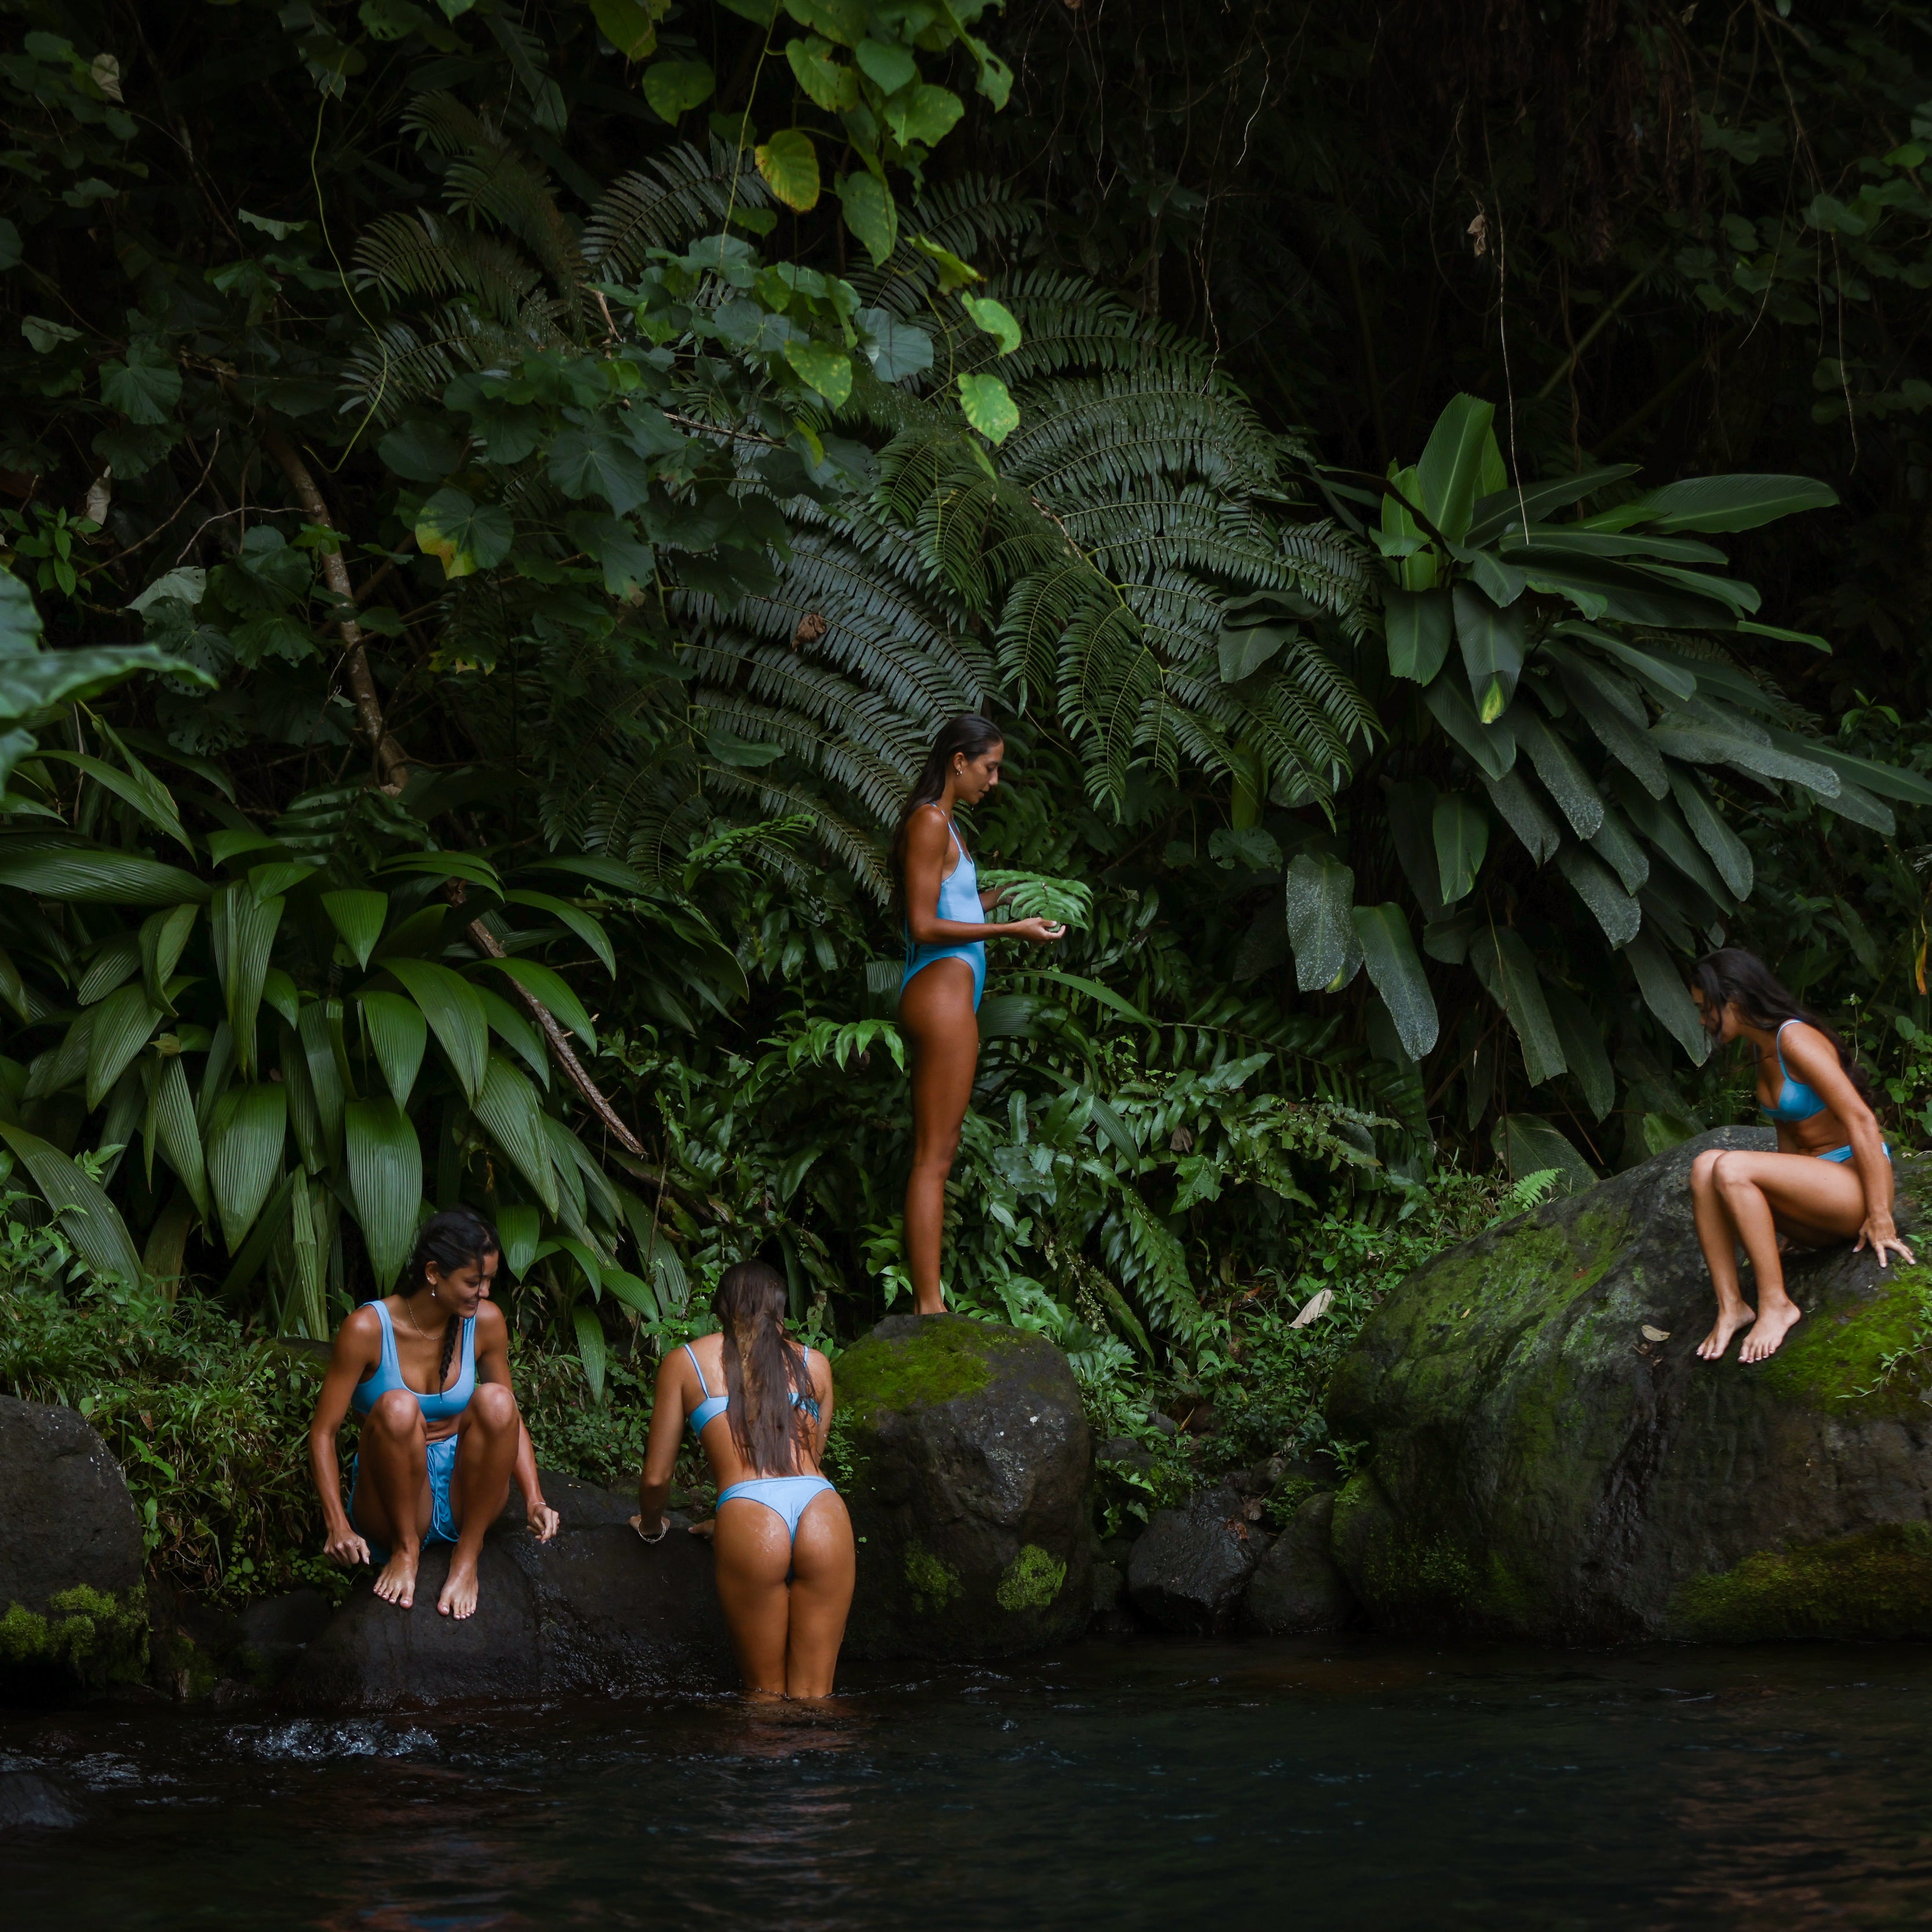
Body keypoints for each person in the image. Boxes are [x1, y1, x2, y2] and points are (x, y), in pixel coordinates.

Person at [309, 1206, 559, 1617]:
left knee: (498, 1400)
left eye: (489, 1281)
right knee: (398, 1407)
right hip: (392, 1499)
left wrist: (534, 1499)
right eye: (473, 1282)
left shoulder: (486, 1322)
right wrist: (337, 1524)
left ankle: (468, 1554)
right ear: (433, 1273)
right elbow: (323, 1432)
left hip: (466, 1494)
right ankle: (406, 1550)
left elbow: (509, 1420)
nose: (484, 1293)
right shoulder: (367, 1329)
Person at [894, 714, 1065, 1314]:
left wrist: (1010, 898)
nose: (993, 781)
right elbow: (922, 923)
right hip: (938, 994)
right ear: (958, 761)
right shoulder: (927, 821)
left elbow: (957, 904)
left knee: (938, 1153)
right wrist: (1009, 930)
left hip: (950, 993)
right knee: (933, 1158)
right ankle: (929, 1306)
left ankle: (931, 1302)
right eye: (989, 767)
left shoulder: (948, 826)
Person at [630, 1259, 852, 1699]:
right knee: (817, 1700)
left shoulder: (686, 1362)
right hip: (822, 1510)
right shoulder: (815, 1363)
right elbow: (811, 1459)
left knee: (764, 1699)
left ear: (721, 1308)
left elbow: (656, 1479)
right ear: (781, 1309)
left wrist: (652, 1525)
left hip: (750, 1516)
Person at [1688, 948, 1913, 1364]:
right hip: (1818, 1193)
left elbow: (1862, 1121)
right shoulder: (1761, 1049)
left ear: (1732, 1000)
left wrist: (1880, 1214)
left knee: (1731, 1166)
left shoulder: (1794, 1038)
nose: (1702, 1020)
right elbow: (1788, 1137)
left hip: (1852, 1186)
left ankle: (1776, 1305)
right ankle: (1732, 1306)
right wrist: (1784, 1210)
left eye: (1706, 1009)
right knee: (1704, 1166)